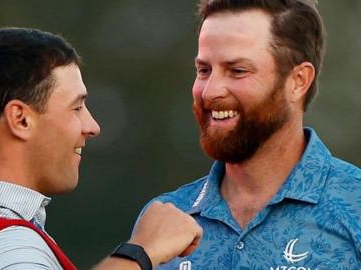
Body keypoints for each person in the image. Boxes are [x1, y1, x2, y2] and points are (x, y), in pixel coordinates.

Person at [0, 27, 202, 270]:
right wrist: (140, 252)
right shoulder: (10, 245)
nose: (92, 126)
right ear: (20, 119)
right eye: (76, 108)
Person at [137, 0, 361, 269]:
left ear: (298, 81)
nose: (210, 91)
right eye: (204, 70)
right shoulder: (163, 218)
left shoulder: (353, 204)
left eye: (238, 71)